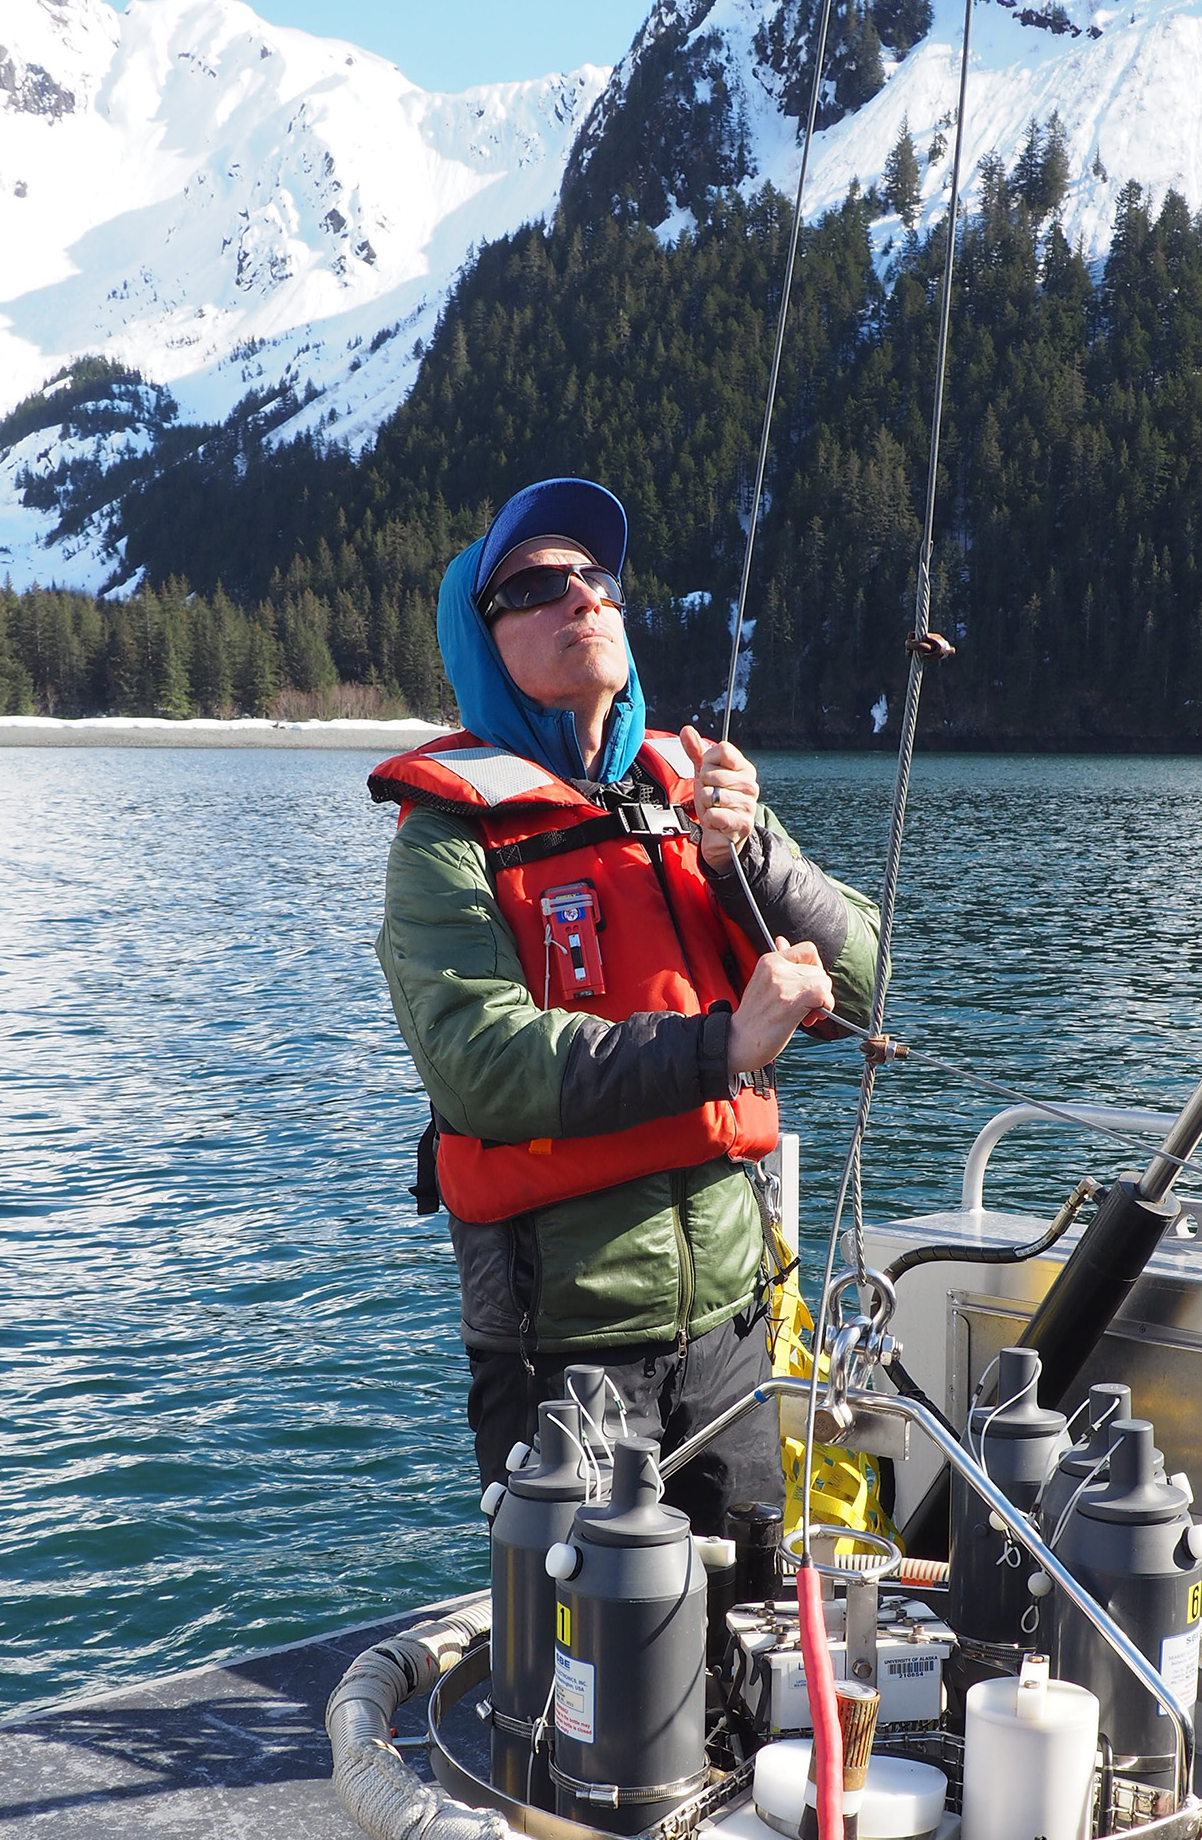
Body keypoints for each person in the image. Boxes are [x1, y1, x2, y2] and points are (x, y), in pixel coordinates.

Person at [369, 476, 882, 1531]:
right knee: (588, 1635)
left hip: (736, 1334)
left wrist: (752, 858)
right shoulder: (446, 843)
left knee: (745, 1617)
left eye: (597, 577)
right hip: (563, 1355)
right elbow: (481, 1063)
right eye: (536, 585)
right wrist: (719, 1047)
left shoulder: (697, 791)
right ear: (480, 638)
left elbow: (865, 989)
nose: (582, 596)